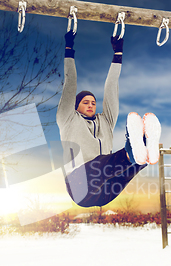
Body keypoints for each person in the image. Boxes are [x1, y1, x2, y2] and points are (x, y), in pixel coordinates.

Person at [57, 31, 161, 208]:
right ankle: (131, 152)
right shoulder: (67, 119)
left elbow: (112, 86)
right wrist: (69, 49)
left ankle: (145, 149)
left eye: (93, 102)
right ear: (75, 106)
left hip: (104, 191)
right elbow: (70, 82)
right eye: (85, 102)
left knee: (128, 168)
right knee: (106, 163)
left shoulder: (105, 121)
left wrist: (118, 54)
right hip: (78, 185)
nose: (91, 105)